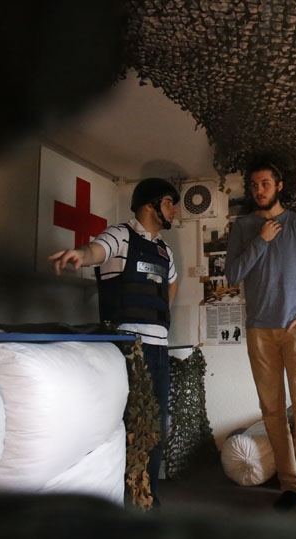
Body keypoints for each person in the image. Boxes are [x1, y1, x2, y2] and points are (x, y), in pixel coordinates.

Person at [47, 177, 180, 510]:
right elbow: (96, 250)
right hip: (128, 348)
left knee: (155, 428)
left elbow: (172, 284)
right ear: (151, 204)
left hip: (159, 348)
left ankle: (147, 503)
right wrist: (79, 253)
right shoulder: (121, 234)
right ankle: (122, 504)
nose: (174, 210)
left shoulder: (165, 249)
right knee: (129, 427)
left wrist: (159, 316)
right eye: (169, 202)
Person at [225, 161, 296, 514]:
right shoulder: (243, 227)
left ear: (279, 185)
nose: (259, 190)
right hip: (259, 329)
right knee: (271, 411)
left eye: (265, 183)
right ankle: (289, 485)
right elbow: (233, 275)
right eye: (254, 185)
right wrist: (261, 240)